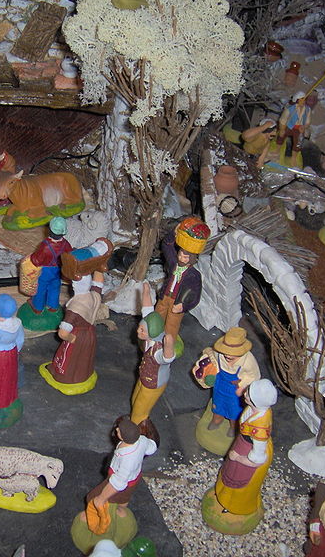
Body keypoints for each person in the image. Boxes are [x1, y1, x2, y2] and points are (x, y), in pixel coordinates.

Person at [213, 379, 277, 516]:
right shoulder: (254, 410)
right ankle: (223, 495)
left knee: (238, 480)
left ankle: (233, 506)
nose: (245, 394)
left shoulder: (259, 428)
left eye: (249, 394)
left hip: (248, 453)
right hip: (242, 444)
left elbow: (257, 459)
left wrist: (238, 458)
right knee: (229, 472)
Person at [84, 419, 157, 534]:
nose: (117, 429)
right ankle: (121, 510)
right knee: (124, 498)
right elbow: (152, 447)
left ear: (124, 436)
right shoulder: (142, 440)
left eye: (119, 430)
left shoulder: (128, 460)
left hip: (119, 479)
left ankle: (100, 522)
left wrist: (101, 498)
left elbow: (118, 483)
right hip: (134, 478)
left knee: (92, 498)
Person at [129, 282, 176, 430]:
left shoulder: (157, 350)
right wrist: (146, 292)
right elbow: (147, 310)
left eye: (142, 330)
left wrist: (169, 346)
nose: (138, 331)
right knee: (134, 401)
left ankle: (136, 432)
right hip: (144, 377)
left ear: (151, 332)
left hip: (153, 383)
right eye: (139, 328)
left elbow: (167, 358)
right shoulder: (150, 329)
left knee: (139, 411)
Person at [48, 272, 104, 387]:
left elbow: (63, 333)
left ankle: (63, 377)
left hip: (76, 334)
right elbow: (98, 283)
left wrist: (72, 339)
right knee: (84, 357)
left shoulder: (75, 308)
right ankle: (83, 375)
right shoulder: (93, 295)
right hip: (89, 335)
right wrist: (97, 266)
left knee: (69, 358)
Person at [155, 218, 208, 337]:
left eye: (185, 257)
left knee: (171, 326)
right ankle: (154, 339)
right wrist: (174, 234)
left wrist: (184, 306)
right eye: (180, 255)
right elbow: (167, 246)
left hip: (177, 302)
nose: (181, 259)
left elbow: (195, 296)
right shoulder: (174, 263)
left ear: (191, 259)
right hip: (165, 297)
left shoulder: (194, 275)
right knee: (157, 318)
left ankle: (168, 344)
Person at [206, 327, 261, 437]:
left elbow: (254, 376)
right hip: (220, 385)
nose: (227, 355)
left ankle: (233, 427)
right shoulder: (219, 354)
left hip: (235, 391)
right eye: (226, 351)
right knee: (218, 404)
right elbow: (209, 354)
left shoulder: (248, 361)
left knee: (234, 411)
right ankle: (217, 420)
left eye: (233, 353)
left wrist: (242, 384)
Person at [28, 217, 73, 314]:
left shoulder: (45, 246)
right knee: (55, 287)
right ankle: (53, 306)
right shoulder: (66, 244)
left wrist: (31, 257)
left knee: (40, 288)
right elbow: (70, 256)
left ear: (50, 230)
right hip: (58, 270)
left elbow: (37, 261)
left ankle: (38, 307)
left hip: (45, 271)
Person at [277, 91, 313, 168]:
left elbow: (308, 121)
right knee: (281, 136)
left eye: (304, 100)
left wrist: (304, 127)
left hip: (299, 128)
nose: (303, 102)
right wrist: (282, 129)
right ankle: (277, 150)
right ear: (297, 100)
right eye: (301, 100)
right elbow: (283, 119)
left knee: (298, 142)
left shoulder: (307, 110)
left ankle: (294, 157)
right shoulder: (290, 109)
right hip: (289, 126)